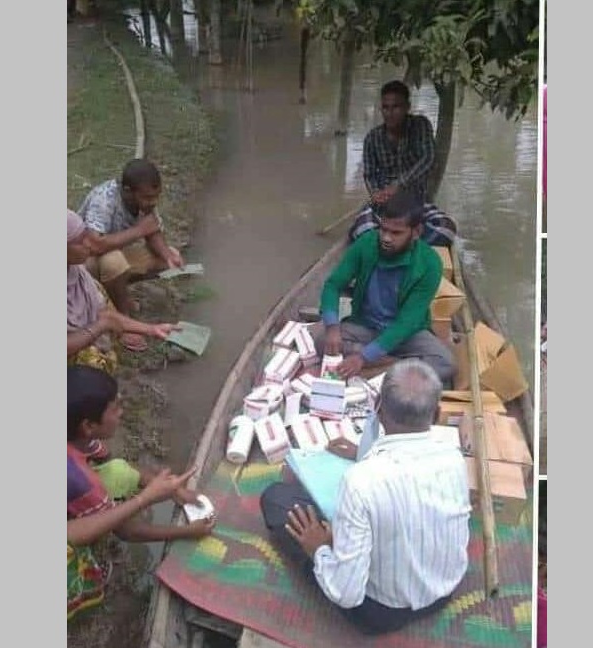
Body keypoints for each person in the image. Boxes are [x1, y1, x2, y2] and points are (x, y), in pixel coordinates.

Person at [259, 359, 470, 635]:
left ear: (378, 407)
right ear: (436, 413)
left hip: (380, 613)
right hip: (444, 591)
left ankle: (323, 547)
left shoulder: (361, 481)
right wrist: (361, 453)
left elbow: (346, 593)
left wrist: (319, 549)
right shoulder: (453, 458)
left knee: (275, 499)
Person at [67, 365, 215, 620]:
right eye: (114, 409)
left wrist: (171, 491)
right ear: (88, 425)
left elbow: (112, 463)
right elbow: (126, 531)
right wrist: (186, 531)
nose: (121, 413)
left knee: (118, 470)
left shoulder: (77, 437)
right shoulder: (81, 481)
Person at [317, 191, 456, 384]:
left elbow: (407, 323)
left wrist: (363, 357)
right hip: (366, 326)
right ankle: (402, 366)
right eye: (383, 229)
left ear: (416, 232)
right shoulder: (366, 244)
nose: (386, 238)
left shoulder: (430, 263)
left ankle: (381, 365)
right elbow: (333, 285)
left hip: (406, 335)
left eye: (396, 233)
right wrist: (332, 327)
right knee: (321, 339)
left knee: (445, 363)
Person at [75, 159, 186, 351]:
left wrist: (168, 255)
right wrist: (138, 231)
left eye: (156, 197)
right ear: (127, 191)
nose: (152, 202)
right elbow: (93, 244)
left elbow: (152, 231)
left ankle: (117, 293)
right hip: (83, 264)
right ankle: (123, 321)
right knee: (114, 262)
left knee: (166, 257)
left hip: (113, 253)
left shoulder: (145, 203)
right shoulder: (104, 200)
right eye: (147, 197)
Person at [68, 210, 177, 371]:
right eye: (80, 241)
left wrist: (152, 329)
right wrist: (99, 327)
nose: (88, 244)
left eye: (86, 237)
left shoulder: (76, 273)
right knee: (92, 365)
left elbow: (104, 314)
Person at [363, 80, 435, 207]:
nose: (390, 113)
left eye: (396, 107)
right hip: (384, 201)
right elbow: (369, 175)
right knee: (362, 224)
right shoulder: (372, 138)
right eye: (385, 107)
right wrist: (376, 193)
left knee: (443, 224)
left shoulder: (421, 126)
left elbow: (428, 158)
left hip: (416, 198)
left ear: (407, 107)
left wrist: (399, 184)